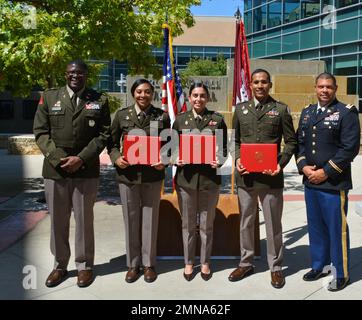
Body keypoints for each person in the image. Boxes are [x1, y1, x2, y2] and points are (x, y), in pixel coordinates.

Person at [33, 60, 111, 288]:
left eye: (79, 72)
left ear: (86, 75)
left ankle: (85, 266)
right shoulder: (49, 97)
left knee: (85, 220)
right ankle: (59, 265)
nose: (75, 76)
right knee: (58, 220)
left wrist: (81, 158)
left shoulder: (99, 100)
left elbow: (104, 134)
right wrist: (59, 158)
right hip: (55, 171)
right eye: (71, 72)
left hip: (86, 170)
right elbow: (40, 132)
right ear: (65, 74)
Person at [229, 68, 297, 288]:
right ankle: (246, 262)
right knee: (246, 223)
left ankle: (275, 267)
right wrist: (238, 158)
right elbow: (236, 141)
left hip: (271, 178)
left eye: (264, 82)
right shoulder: (240, 110)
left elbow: (291, 142)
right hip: (246, 178)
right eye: (256, 82)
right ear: (250, 84)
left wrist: (281, 163)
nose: (260, 86)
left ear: (270, 85)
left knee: (273, 225)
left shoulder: (280, 110)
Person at [296, 72, 360, 291]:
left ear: (335, 88)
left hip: (333, 183)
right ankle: (319, 265)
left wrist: (325, 172)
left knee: (336, 229)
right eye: (321, 86)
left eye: (329, 87)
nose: (324, 90)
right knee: (315, 227)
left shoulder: (346, 113)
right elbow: (300, 144)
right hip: (310, 182)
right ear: (315, 87)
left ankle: (341, 273)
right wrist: (303, 166)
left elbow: (349, 148)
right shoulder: (307, 113)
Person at [108, 79, 170, 283]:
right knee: (131, 220)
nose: (143, 95)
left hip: (152, 176)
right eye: (139, 91)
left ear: (152, 94)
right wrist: (117, 157)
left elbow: (170, 144)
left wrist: (165, 160)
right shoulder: (122, 115)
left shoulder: (161, 116)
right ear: (133, 93)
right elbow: (111, 142)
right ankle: (133, 264)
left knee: (150, 221)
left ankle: (148, 264)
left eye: (147, 92)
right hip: (128, 176)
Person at [173, 82, 228, 281]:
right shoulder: (180, 121)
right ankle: (188, 262)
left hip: (209, 181)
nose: (198, 99)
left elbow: (224, 151)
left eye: (202, 95)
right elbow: (170, 150)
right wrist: (175, 159)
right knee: (188, 225)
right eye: (195, 95)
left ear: (207, 98)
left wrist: (219, 160)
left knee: (206, 225)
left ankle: (205, 262)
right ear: (189, 98)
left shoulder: (217, 120)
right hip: (186, 181)